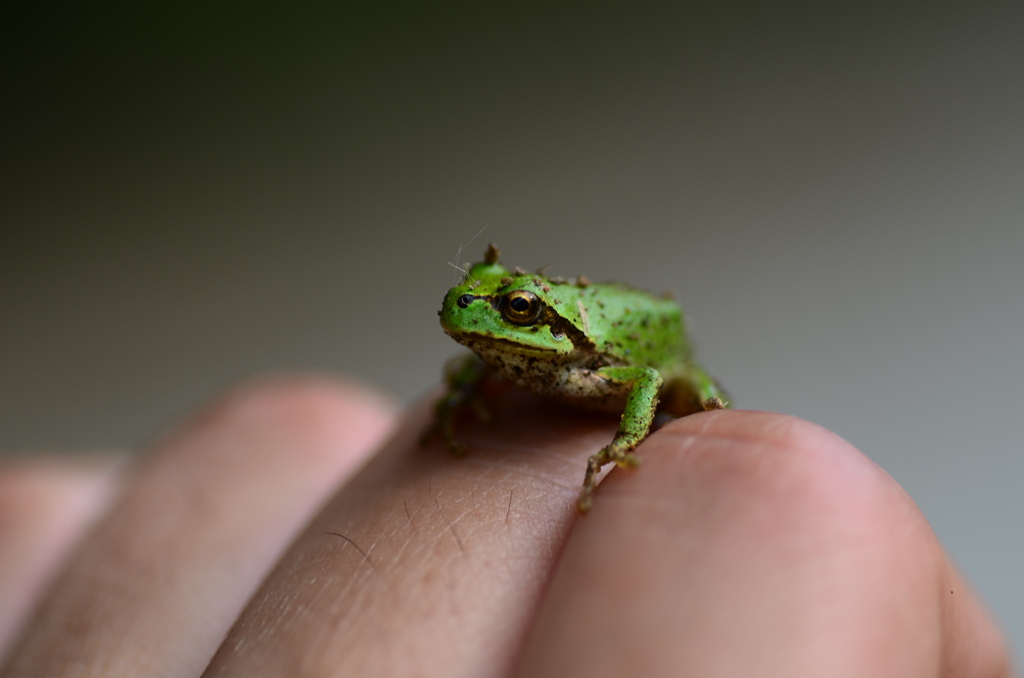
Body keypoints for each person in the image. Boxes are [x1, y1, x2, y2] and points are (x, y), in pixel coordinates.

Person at [0, 375, 1011, 676]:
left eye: (514, 313)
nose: (479, 322)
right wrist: (462, 406)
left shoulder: (588, 361)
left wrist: (627, 444)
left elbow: (657, 381)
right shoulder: (498, 362)